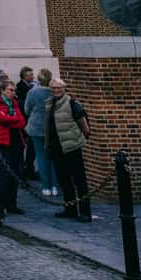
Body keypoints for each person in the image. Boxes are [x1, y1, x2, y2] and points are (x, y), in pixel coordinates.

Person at [47, 78, 94, 222]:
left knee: (80, 181)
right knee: (64, 181)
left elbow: (83, 123)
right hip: (56, 147)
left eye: (59, 88)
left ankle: (85, 211)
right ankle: (70, 209)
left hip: (71, 147)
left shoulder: (72, 103)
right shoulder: (50, 103)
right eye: (53, 88)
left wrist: (82, 137)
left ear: (64, 88)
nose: (56, 90)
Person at [0, 77, 26, 221]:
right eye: (10, 90)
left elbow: (22, 122)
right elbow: (1, 119)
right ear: (2, 90)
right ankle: (0, 206)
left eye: (14, 90)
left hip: (17, 142)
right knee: (4, 174)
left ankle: (12, 204)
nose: (13, 93)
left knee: (16, 174)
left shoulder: (15, 103)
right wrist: (13, 119)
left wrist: (12, 120)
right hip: (2, 143)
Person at [23, 68, 57, 196]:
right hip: (52, 128)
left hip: (36, 128)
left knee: (41, 157)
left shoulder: (32, 93)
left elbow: (26, 110)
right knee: (53, 157)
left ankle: (46, 187)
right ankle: (54, 186)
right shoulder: (54, 92)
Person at [15, 67, 38, 180]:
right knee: (29, 147)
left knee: (30, 147)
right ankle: (27, 169)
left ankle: (29, 168)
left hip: (28, 120)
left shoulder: (32, 85)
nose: (32, 77)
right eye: (30, 75)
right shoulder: (21, 87)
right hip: (26, 121)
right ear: (24, 76)